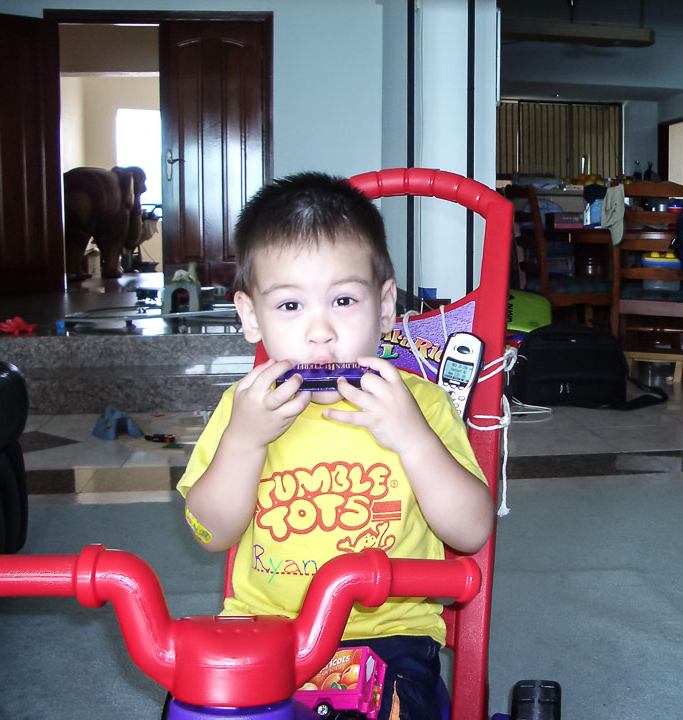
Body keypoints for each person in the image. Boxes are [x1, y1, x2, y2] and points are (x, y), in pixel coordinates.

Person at [176, 172, 495, 720]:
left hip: (389, 637)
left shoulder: (419, 405)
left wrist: (413, 439)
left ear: (385, 305)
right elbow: (209, 533)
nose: (319, 331)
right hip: (264, 632)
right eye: (290, 306)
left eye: (343, 300)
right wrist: (244, 442)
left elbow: (471, 532)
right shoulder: (245, 409)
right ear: (251, 316)